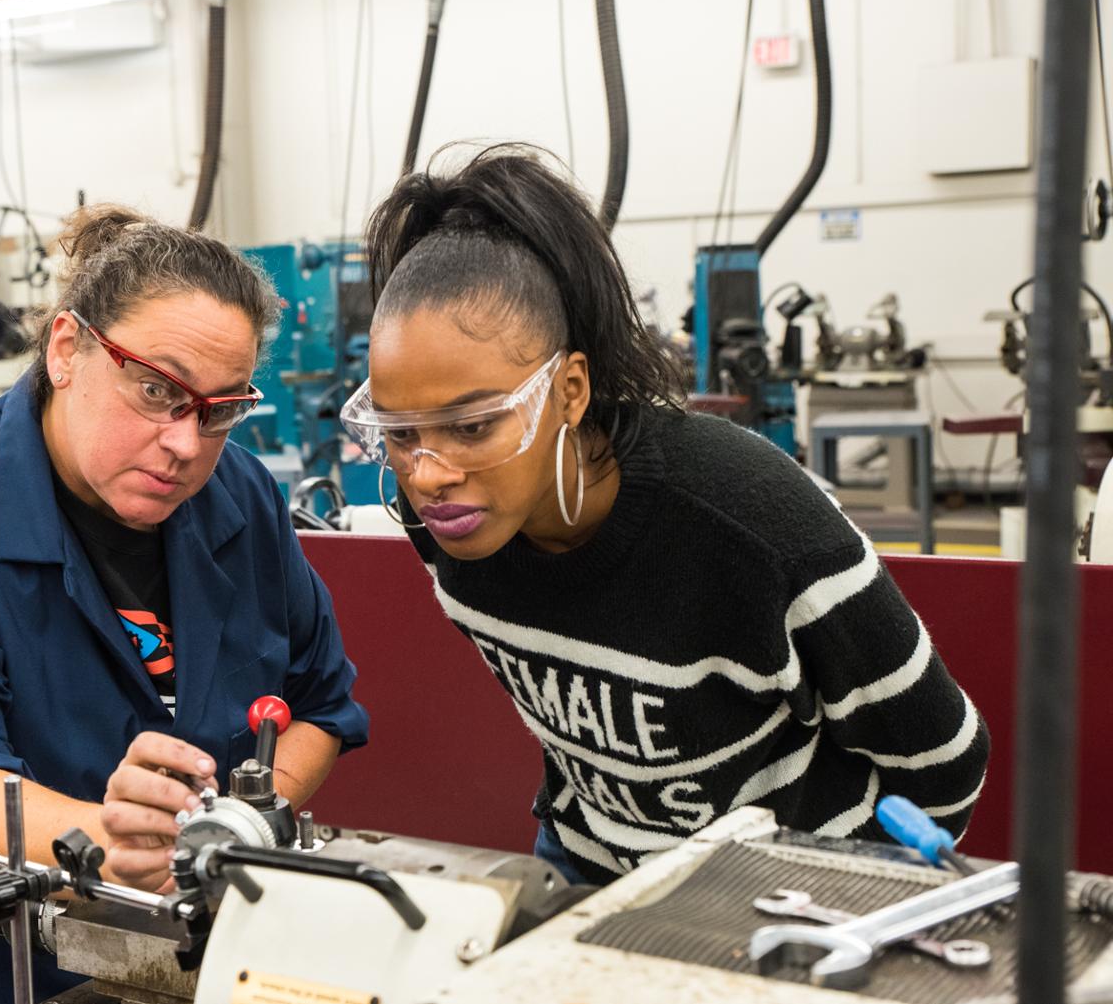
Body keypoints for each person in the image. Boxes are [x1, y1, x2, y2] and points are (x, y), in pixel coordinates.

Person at [340, 144, 989, 885]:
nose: (429, 474)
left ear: (569, 391)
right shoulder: (444, 519)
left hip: (779, 894)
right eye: (398, 434)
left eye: (473, 425)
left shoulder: (752, 521)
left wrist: (828, 898)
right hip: (591, 869)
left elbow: (943, 759)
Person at [0, 206, 370, 1003]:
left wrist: (231, 833)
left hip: (176, 968)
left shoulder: (240, 495)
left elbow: (321, 705)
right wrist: (104, 847)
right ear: (66, 349)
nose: (187, 444)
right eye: (157, 389)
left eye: (220, 409)